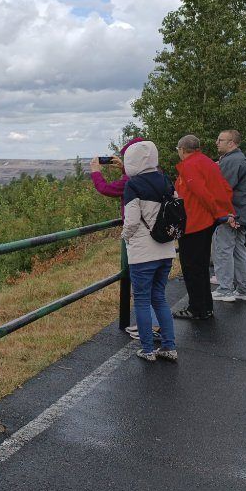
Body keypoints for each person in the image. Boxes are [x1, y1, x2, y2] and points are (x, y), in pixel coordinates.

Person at [89, 137, 157, 342]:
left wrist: (95, 172)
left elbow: (107, 189)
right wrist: (124, 169)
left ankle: (149, 327)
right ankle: (155, 326)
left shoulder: (131, 181)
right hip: (157, 237)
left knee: (141, 285)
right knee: (155, 286)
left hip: (139, 237)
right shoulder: (157, 174)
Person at [121, 141, 178, 361]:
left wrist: (125, 236)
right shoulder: (165, 180)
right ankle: (169, 346)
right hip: (165, 248)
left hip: (143, 252)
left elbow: (132, 220)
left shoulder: (133, 185)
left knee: (142, 300)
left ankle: (147, 349)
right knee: (160, 298)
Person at [172, 135, 234, 321]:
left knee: (192, 268)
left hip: (195, 222)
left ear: (182, 149)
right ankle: (205, 307)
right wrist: (222, 213)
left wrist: (217, 213)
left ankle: (197, 308)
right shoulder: (208, 162)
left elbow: (202, 193)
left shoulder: (190, 165)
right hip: (205, 221)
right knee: (200, 267)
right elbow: (225, 187)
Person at [212, 130, 246, 303]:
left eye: (220, 140)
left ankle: (225, 289)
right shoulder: (243, 159)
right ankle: (244, 289)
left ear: (231, 143)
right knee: (239, 250)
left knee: (223, 250)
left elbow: (222, 188)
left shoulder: (231, 160)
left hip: (231, 213)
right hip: (243, 212)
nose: (217, 142)